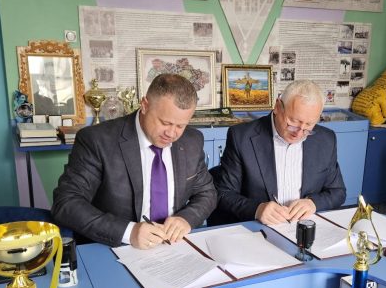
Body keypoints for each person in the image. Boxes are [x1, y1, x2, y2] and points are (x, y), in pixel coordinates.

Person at [51, 74, 217, 249]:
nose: (171, 133)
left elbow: (207, 193)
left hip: (173, 246)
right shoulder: (97, 140)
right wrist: (129, 232)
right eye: (165, 123)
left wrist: (186, 219)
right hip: (115, 246)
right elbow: (66, 203)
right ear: (144, 105)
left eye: (180, 126)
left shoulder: (192, 140)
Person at [211, 80, 345, 225]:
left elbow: (337, 192)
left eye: (309, 125)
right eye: (293, 122)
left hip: (302, 225)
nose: (299, 133)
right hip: (258, 228)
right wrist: (257, 209)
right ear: (277, 107)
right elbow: (223, 193)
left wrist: (313, 203)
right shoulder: (242, 137)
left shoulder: (326, 139)